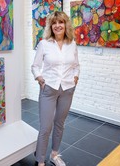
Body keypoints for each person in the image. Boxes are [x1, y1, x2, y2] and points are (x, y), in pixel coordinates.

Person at [31, 11, 80, 166]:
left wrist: (76, 77)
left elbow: (76, 65)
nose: (58, 26)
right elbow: (35, 66)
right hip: (49, 89)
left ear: (66, 24)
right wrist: (39, 78)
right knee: (46, 127)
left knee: (59, 123)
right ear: (51, 26)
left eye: (61, 22)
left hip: (67, 89)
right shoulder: (44, 44)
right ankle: (40, 160)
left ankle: (54, 154)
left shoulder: (72, 44)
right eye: (54, 23)